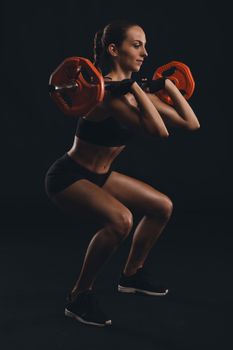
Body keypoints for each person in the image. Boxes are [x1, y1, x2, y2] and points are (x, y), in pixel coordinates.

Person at [45, 19, 200, 327]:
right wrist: (133, 87)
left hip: (101, 176)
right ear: (114, 50)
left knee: (162, 207)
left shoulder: (136, 91)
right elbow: (159, 131)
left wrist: (167, 86)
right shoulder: (105, 96)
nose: (145, 53)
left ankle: (131, 275)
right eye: (137, 45)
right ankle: (79, 297)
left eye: (145, 46)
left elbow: (191, 123)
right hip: (69, 176)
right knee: (121, 220)